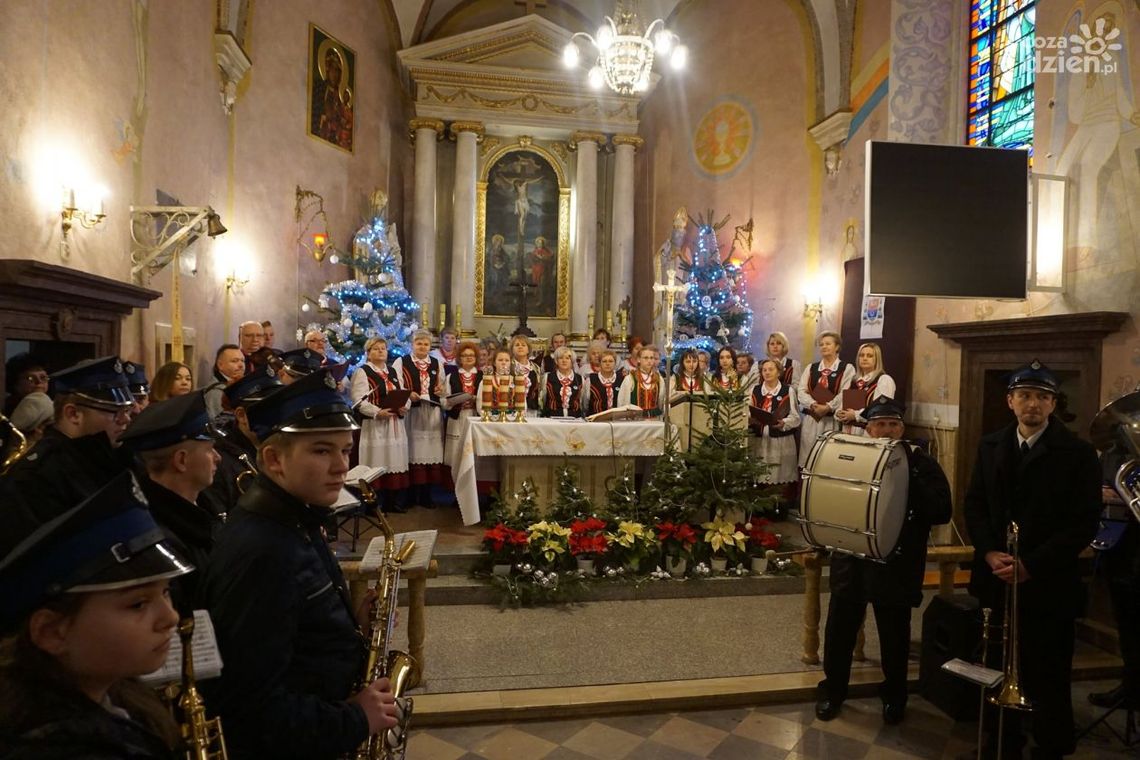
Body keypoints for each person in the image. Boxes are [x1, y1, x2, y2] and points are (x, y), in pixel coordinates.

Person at [201, 370, 398, 759]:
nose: (342, 466)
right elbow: (251, 710)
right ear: (274, 459)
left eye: (345, 449)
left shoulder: (295, 517)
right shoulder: (263, 549)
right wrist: (356, 719)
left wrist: (345, 625)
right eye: (322, 451)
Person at [0, 472, 192, 759]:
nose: (171, 617)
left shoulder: (115, 698)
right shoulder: (56, 745)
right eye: (138, 604)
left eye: (165, 592)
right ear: (52, 632)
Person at [963, 360, 1101, 759]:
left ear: (1054, 405)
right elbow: (974, 505)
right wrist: (989, 551)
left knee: (1048, 667)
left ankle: (1051, 744)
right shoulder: (990, 445)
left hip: (1047, 581)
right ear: (1010, 401)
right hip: (995, 575)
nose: (1033, 404)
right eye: (1025, 395)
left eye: (1043, 397)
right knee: (995, 663)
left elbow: (1083, 523)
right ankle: (1001, 741)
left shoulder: (1077, 453)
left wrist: (1032, 564)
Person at [815, 397, 952, 725]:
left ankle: (895, 696)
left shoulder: (921, 463)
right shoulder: (850, 457)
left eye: (893, 424)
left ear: (901, 428)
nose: (886, 430)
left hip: (897, 563)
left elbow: (941, 511)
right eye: (880, 425)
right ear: (869, 428)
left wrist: (907, 476)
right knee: (839, 631)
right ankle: (833, 691)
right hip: (852, 560)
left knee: (894, 635)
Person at [0, 357, 135, 543]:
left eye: (127, 411)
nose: (125, 420)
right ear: (73, 414)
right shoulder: (37, 475)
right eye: (114, 411)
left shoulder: (110, 456)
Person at [118, 390, 221, 614]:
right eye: (210, 450)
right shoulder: (160, 538)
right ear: (181, 460)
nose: (218, 457)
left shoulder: (205, 506)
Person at [1088, 417, 1140, 712]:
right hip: (1118, 545)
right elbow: (1095, 485)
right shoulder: (1112, 453)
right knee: (1127, 623)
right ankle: (1131, 686)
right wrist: (1100, 491)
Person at [204, 366, 282, 517]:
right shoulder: (221, 460)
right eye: (269, 411)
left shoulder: (284, 447)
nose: (279, 417)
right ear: (241, 415)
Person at [351, 337, 409, 514]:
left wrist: (404, 407)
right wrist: (377, 412)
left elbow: (403, 392)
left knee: (393, 460)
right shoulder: (363, 372)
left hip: (394, 424)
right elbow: (359, 400)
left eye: (383, 348)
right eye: (376, 349)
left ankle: (391, 502)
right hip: (375, 425)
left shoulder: (392, 371)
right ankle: (372, 505)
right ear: (368, 353)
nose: (381, 351)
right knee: (376, 461)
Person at [392, 329, 448, 508]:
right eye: (419, 343)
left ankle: (426, 495)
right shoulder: (402, 361)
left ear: (430, 346)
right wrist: (409, 394)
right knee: (412, 451)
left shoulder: (437, 363)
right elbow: (396, 383)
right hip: (412, 412)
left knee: (430, 453)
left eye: (426, 344)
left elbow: (442, 386)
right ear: (412, 344)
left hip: (431, 412)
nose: (422, 346)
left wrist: (440, 390)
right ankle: (409, 496)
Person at [797, 331, 854, 468]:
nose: (824, 347)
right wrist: (813, 404)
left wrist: (828, 407)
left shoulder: (846, 368)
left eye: (828, 344)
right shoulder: (811, 368)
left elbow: (845, 393)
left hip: (832, 420)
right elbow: (801, 391)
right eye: (821, 344)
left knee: (828, 458)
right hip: (812, 419)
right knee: (809, 458)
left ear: (837, 347)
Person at [748, 359, 801, 485]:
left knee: (778, 475)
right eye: (764, 370)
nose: (767, 372)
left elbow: (796, 417)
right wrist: (750, 418)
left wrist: (784, 422)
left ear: (779, 372)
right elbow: (747, 410)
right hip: (759, 439)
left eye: (771, 369)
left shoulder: (787, 391)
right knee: (759, 474)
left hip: (780, 440)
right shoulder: (754, 390)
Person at [835, 343, 896, 436]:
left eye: (870, 356)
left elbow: (881, 410)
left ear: (877, 359)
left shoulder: (884, 380)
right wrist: (839, 413)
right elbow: (842, 404)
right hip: (848, 431)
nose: (864, 358)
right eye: (861, 355)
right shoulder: (854, 380)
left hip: (869, 433)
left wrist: (855, 415)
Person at [618, 344, 664, 417]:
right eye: (645, 358)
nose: (649, 361)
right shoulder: (630, 378)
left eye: (651, 358)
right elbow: (623, 402)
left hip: (655, 419)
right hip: (635, 420)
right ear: (639, 359)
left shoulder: (659, 379)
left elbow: (661, 402)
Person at [204, 344, 245, 421]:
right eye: (234, 361)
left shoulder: (239, 384)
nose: (241, 365)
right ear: (220, 365)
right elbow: (220, 424)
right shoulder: (215, 392)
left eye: (242, 361)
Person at [540, 347, 584, 418]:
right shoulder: (548, 377)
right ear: (556, 361)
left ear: (572, 361)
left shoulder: (580, 379)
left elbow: (582, 401)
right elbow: (543, 399)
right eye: (561, 358)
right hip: (551, 418)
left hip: (575, 419)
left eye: (567, 358)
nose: (564, 361)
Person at [586, 349, 625, 417]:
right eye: (604, 361)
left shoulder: (622, 379)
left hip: (617, 420)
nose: (607, 364)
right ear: (600, 363)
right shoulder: (591, 379)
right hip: (595, 419)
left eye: (610, 361)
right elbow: (585, 402)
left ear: (615, 363)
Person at [509, 334, 541, 415]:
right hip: (512, 409)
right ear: (512, 349)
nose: (520, 347)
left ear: (528, 349)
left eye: (523, 345)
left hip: (531, 409)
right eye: (517, 345)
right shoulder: (508, 367)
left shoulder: (535, 368)